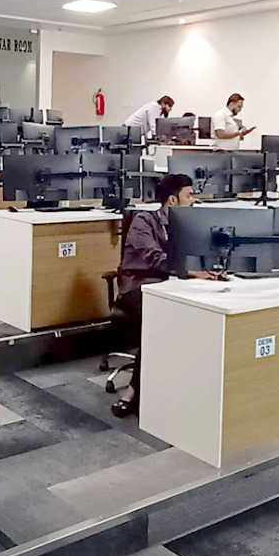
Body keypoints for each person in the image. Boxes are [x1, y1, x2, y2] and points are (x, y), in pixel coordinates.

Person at [112, 173, 225, 416]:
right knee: (161, 321)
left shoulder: (189, 224)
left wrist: (211, 266)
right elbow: (155, 258)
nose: (193, 201)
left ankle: (185, 388)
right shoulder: (144, 221)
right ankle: (133, 391)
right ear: (173, 200)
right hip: (139, 285)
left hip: (172, 285)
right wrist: (191, 271)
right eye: (189, 195)